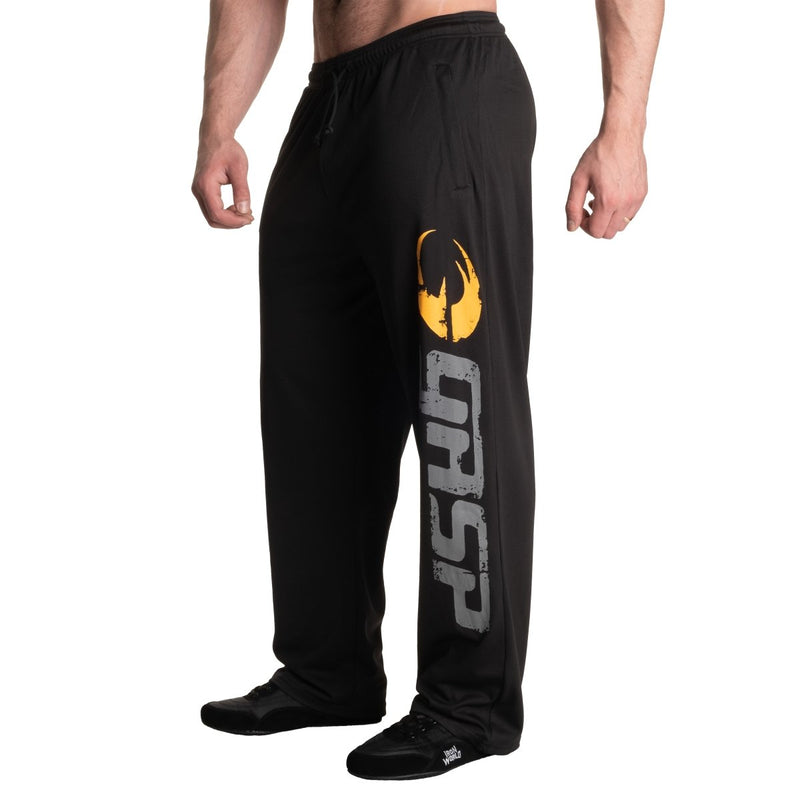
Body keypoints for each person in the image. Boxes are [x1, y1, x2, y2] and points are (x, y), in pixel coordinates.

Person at [191, 0, 663, 781]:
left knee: (458, 403)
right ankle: (327, 670)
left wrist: (625, 127)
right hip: (328, 101)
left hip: (443, 79)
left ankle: (469, 706)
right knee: (313, 404)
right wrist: (219, 124)